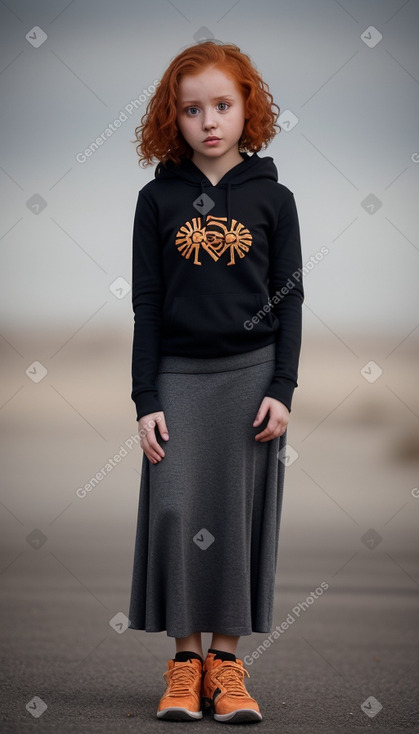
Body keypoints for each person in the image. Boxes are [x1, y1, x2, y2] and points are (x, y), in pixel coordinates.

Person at [127, 39, 304, 724]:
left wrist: (282, 388)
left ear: (246, 108)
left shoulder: (274, 198)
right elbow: (145, 302)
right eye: (191, 108)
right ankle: (182, 664)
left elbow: (288, 298)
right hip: (175, 376)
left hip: (250, 375)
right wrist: (144, 399)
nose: (208, 120)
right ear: (172, 117)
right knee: (175, 511)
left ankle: (225, 667)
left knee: (232, 522)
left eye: (222, 105)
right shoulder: (155, 199)